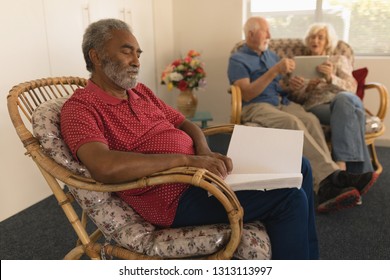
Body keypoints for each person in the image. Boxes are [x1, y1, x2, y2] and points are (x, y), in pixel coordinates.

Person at [61, 18, 318, 259]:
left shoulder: (139, 92)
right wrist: (187, 160)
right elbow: (104, 166)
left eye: (138, 54)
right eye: (127, 51)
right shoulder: (81, 108)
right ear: (96, 56)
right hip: (174, 197)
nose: (136, 61)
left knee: (301, 165)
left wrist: (203, 151)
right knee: (289, 199)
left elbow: (183, 122)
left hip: (201, 174)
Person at [227, 16, 376, 213]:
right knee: (293, 122)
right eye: (266, 31)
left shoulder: (270, 55)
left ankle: (332, 178)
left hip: (281, 102)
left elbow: (279, 86)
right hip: (257, 105)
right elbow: (247, 93)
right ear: (251, 33)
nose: (270, 36)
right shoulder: (237, 59)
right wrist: (273, 71)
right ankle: (328, 181)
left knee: (311, 119)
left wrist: (289, 86)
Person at [286, 22, 376, 179]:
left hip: (345, 101)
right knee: (355, 116)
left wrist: (331, 78)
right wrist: (307, 88)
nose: (316, 40)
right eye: (313, 37)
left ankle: (341, 166)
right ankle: (359, 174)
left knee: (343, 100)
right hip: (319, 107)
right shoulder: (301, 63)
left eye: (321, 37)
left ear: (328, 42)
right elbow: (296, 99)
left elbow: (352, 87)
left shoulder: (339, 60)